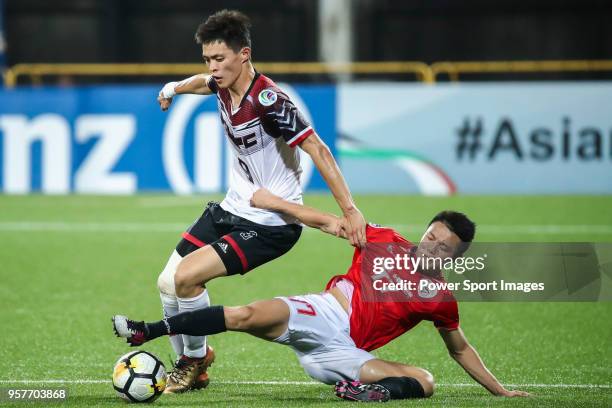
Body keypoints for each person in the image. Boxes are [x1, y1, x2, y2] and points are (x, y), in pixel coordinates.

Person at [113, 189, 530, 402]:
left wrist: (502, 392)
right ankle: (148, 330)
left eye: (442, 246)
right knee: (245, 314)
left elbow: (460, 350)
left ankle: (371, 394)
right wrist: (274, 203)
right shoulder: (383, 240)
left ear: (455, 256)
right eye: (429, 236)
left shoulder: (439, 298)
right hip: (324, 312)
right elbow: (326, 223)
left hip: (342, 354)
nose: (430, 247)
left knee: (425, 381)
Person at [153, 9, 366, 393]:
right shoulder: (221, 83)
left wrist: (348, 210)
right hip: (234, 206)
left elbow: (317, 148)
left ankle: (193, 361)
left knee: (186, 278)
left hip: (270, 224)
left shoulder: (268, 100)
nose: (213, 68)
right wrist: (173, 88)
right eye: (208, 59)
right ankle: (195, 365)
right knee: (167, 282)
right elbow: (203, 83)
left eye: (220, 59)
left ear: (244, 54)